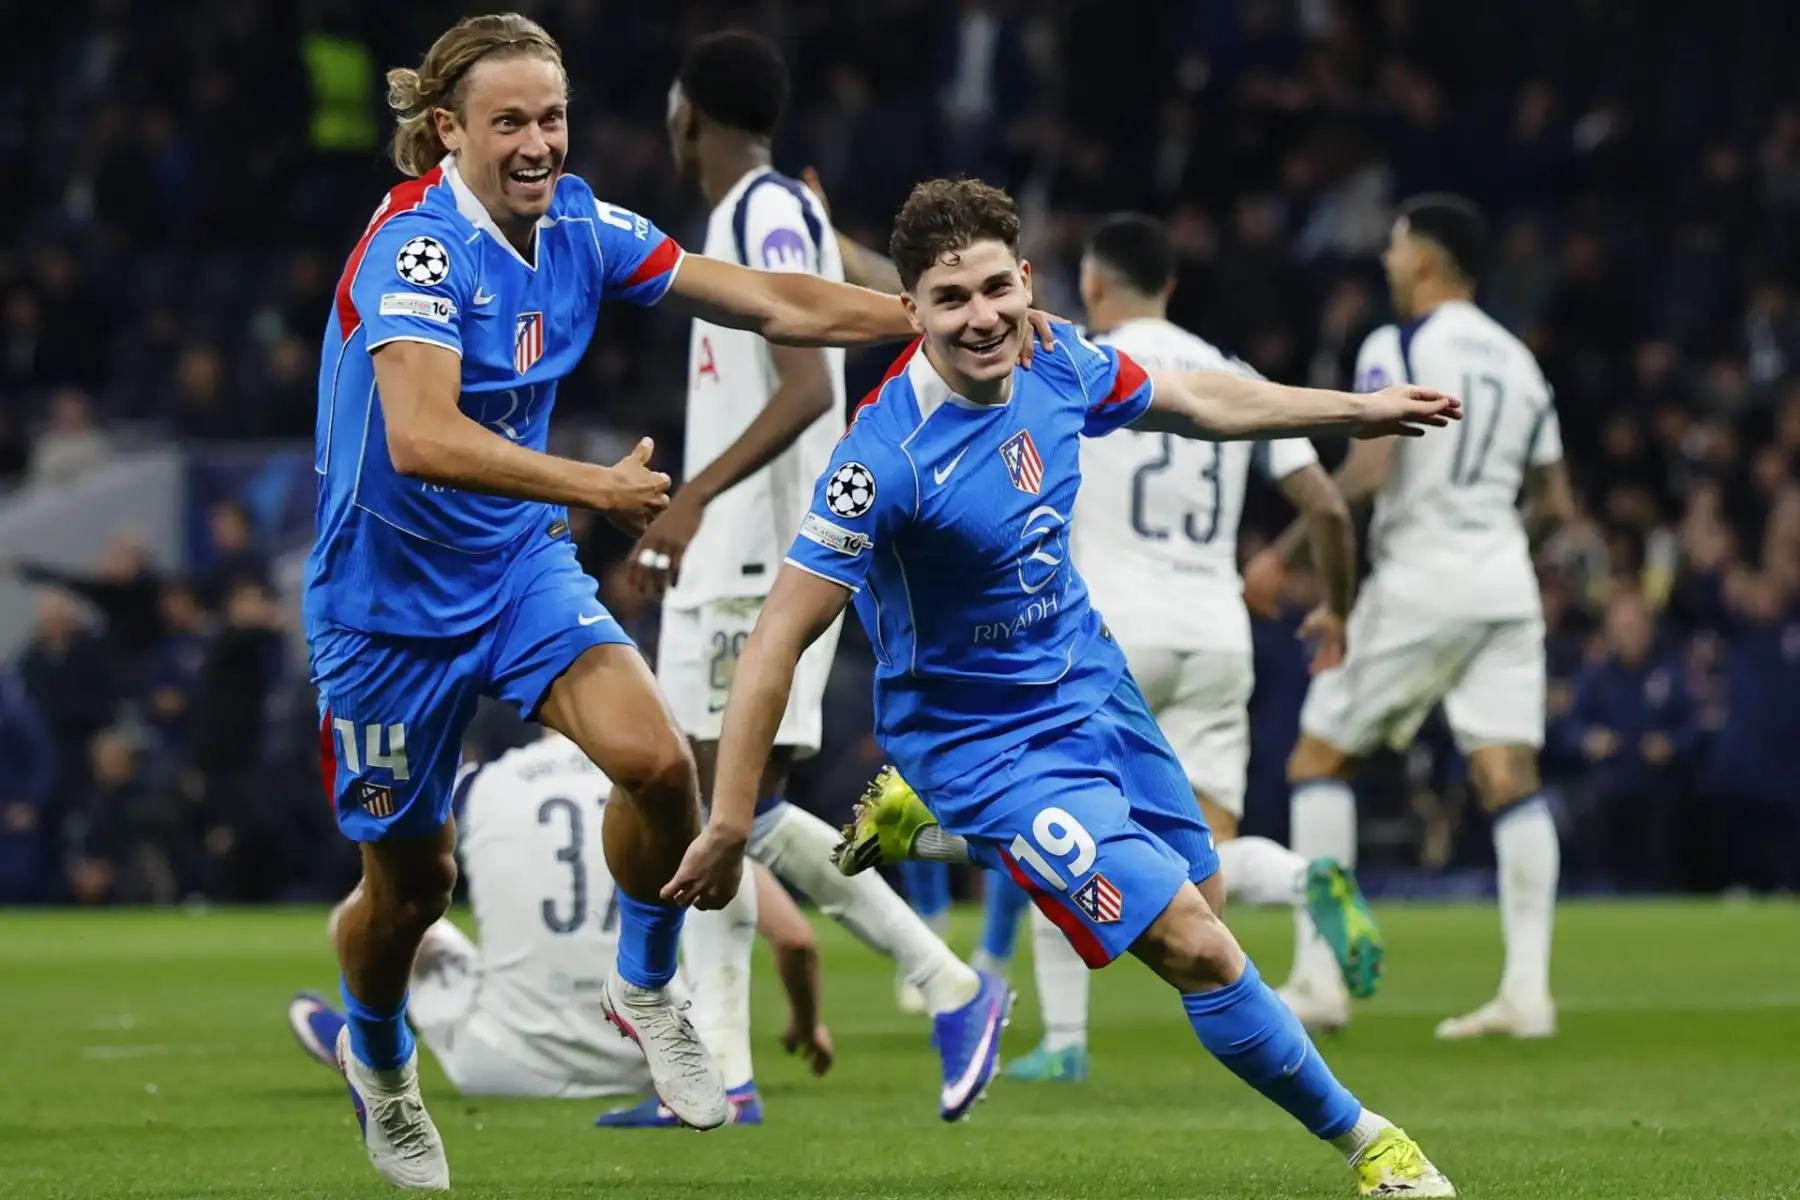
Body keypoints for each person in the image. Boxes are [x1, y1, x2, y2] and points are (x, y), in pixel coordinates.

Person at [306, 14, 1036, 1188]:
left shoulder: (583, 224)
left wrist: (932, 319)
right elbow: (422, 434)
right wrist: (594, 485)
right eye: (511, 123)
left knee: (658, 768)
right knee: (411, 885)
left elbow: (771, 305)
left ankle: (646, 985)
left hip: (516, 567)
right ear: (448, 130)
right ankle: (382, 1063)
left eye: (552, 116)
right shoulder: (418, 249)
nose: (541, 142)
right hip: (383, 607)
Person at [674, 177, 1460, 1195]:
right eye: (949, 301)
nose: (982, 318)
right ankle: (1376, 1148)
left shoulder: (1056, 360)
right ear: (908, 311)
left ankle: (936, 826)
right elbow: (779, 631)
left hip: (1092, 684)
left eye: (997, 289)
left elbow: (1196, 401)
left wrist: (1356, 410)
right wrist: (734, 818)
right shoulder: (883, 461)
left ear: (1030, 281)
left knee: (1206, 903)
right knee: (1198, 953)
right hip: (983, 743)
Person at [597, 31, 989, 1126]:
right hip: (743, 551)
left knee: (727, 807)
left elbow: (810, 387)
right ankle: (717, 1076)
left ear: (686, 117)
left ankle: (948, 983)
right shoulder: (761, 216)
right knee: (722, 807)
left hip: (756, 551)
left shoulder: (762, 212)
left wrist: (695, 494)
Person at [1000, 213, 1384, 1083]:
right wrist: (1335, 605)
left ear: (1093, 287)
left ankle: (1064, 1040)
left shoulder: (1070, 363)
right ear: (1169, 285)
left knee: (1048, 822)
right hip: (1216, 634)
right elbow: (1326, 505)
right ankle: (1303, 880)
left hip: (1105, 632)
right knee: (1204, 846)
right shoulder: (1229, 372)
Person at [1244, 194, 1575, 1039]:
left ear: (1426, 260)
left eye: (1394, 250)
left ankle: (1321, 980)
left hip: (1424, 576)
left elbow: (1364, 475)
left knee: (1319, 757)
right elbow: (1556, 504)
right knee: (1508, 777)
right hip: (1502, 581)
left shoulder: (1398, 345)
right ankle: (1528, 995)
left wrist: (1285, 552)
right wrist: (1493, 535)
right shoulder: (1519, 358)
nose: (1386, 264)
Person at [287, 733, 830, 1122]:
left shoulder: (480, 786)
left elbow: (384, 907)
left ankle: (364, 1040)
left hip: (502, 1063)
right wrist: (806, 1025)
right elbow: (795, 938)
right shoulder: (672, 796)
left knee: (394, 924)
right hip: (652, 1065)